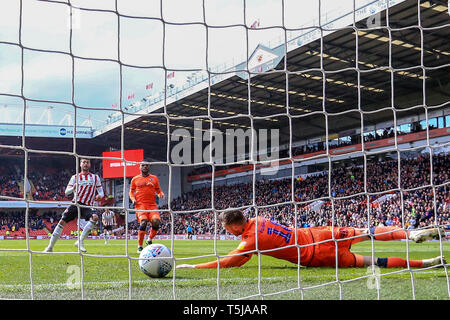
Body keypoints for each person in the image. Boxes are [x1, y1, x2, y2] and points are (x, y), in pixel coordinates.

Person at [177, 210, 446, 270]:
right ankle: (410, 233)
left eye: (229, 229)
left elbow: (229, 263)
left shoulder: (249, 241)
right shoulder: (260, 218)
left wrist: (194, 267)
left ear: (235, 225)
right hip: (317, 233)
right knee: (368, 231)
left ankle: (427, 263)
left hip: (315, 255)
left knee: (374, 261)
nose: (229, 233)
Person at [44, 158, 104, 253]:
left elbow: (101, 192)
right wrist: (73, 188)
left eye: (87, 162)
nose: (85, 164)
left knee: (95, 217)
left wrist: (100, 196)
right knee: (61, 222)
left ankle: (80, 241)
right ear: (80, 164)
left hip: (87, 205)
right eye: (83, 162)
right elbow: (66, 192)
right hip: (75, 203)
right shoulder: (75, 177)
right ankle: (50, 247)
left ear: (90, 164)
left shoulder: (95, 177)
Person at [129, 160, 165, 253]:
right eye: (143, 165)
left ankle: (149, 239)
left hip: (152, 205)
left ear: (149, 167)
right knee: (143, 222)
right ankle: (140, 246)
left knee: (156, 222)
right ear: (139, 167)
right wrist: (133, 199)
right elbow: (131, 192)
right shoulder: (135, 179)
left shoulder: (154, 178)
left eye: (147, 165)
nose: (145, 167)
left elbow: (158, 190)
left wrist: (161, 194)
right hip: (140, 206)